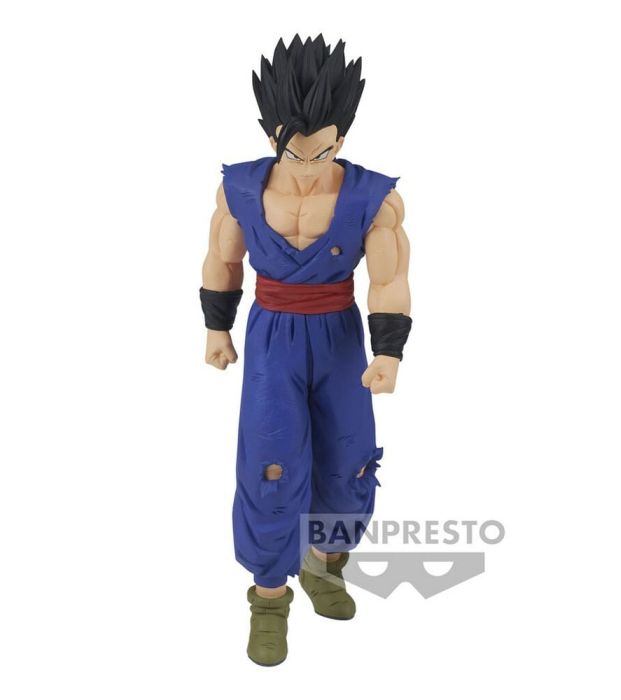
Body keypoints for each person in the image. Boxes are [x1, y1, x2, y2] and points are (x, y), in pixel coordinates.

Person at [200, 34, 412, 666]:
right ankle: (269, 598)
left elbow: (390, 278)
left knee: (347, 462)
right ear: (273, 135)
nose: (308, 163)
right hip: (272, 338)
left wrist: (389, 351)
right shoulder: (240, 188)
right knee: (269, 462)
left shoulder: (374, 197)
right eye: (295, 150)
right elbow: (222, 259)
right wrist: (216, 328)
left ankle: (324, 565)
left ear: (342, 138)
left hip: (340, 336)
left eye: (324, 149)